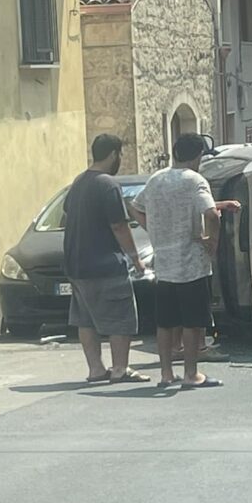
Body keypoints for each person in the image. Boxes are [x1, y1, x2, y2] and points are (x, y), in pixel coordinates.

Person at [130, 134, 235, 389]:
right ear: (197, 156)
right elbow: (211, 214)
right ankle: (191, 374)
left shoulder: (156, 179)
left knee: (165, 323)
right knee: (192, 321)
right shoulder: (194, 180)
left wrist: (153, 229)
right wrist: (212, 241)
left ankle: (166, 374)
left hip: (164, 265)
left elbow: (135, 206)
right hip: (191, 265)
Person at [63, 134, 150, 384]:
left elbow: (67, 213)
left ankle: (96, 369)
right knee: (121, 316)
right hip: (105, 264)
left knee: (86, 319)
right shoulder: (108, 185)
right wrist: (136, 259)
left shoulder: (78, 182)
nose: (120, 159)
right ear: (113, 154)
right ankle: (120, 368)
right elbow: (119, 226)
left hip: (76, 264)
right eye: (120, 154)